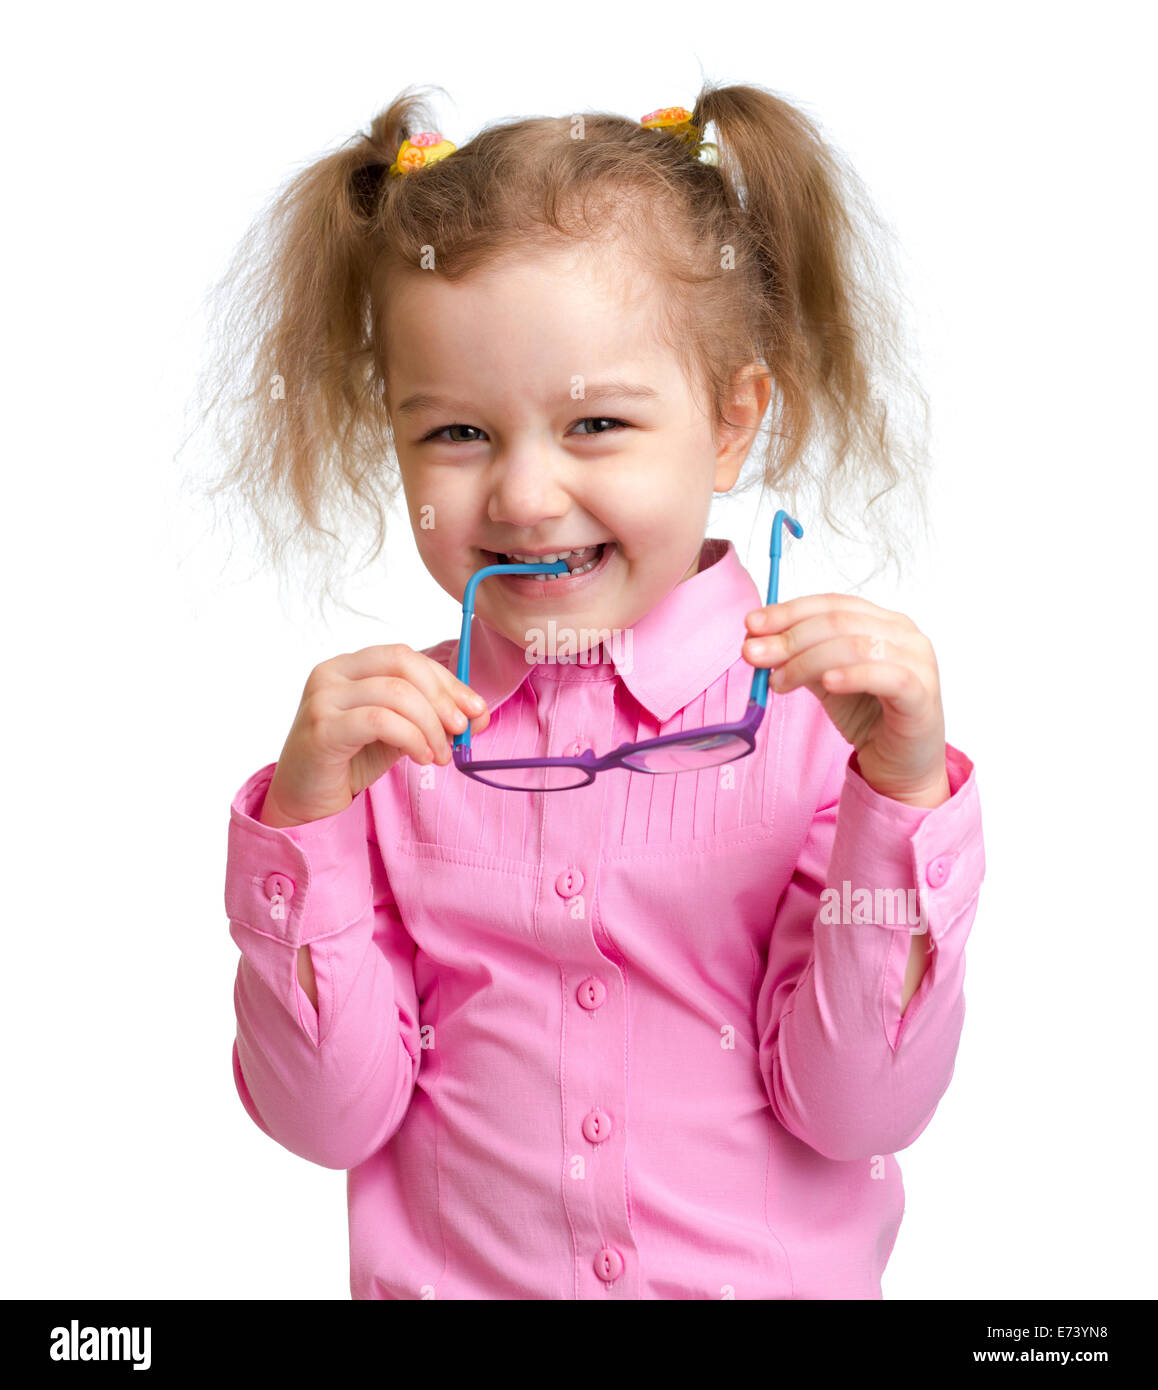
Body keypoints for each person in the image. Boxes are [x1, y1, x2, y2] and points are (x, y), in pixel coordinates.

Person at [204, 81, 986, 1299]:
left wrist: (901, 801)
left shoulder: (817, 732)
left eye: (598, 423)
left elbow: (861, 1107)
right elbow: (327, 1123)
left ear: (731, 425)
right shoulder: (390, 757)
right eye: (455, 433)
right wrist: (304, 837)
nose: (520, 496)